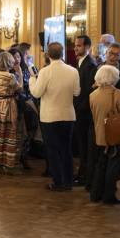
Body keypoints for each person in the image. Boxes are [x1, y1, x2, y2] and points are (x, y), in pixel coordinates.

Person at [29, 42, 80, 192]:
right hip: (68, 115)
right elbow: (77, 92)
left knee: (53, 150)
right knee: (66, 149)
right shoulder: (73, 70)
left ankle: (58, 182)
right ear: (62, 53)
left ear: (48, 55)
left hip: (50, 117)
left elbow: (37, 93)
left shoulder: (45, 71)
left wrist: (33, 80)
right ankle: (68, 181)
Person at [89, 64, 120, 205]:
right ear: (114, 78)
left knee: (101, 164)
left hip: (100, 134)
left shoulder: (92, 95)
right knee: (113, 166)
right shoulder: (118, 94)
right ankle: (109, 196)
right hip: (115, 135)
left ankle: (95, 194)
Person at [0, 51, 22, 174]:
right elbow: (20, 89)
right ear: (9, 62)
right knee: (10, 134)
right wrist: (18, 72)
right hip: (9, 105)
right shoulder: (10, 76)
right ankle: (8, 164)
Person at [73, 34, 98, 186]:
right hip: (79, 110)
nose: (76, 48)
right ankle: (82, 174)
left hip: (84, 112)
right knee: (81, 145)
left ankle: (85, 176)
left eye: (79, 46)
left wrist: (79, 109)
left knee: (84, 145)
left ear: (87, 47)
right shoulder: (80, 63)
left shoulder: (90, 65)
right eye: (75, 45)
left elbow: (88, 91)